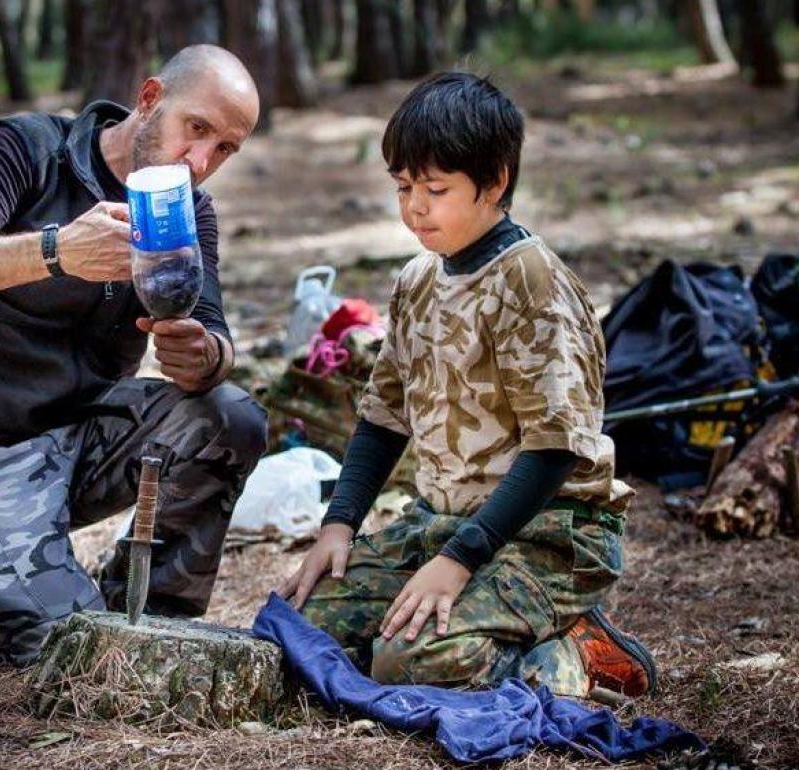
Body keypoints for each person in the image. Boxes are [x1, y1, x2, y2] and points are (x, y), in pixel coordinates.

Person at [0, 45, 268, 666]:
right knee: (65, 653)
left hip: (84, 431)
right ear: (149, 99)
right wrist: (55, 252)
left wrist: (204, 355)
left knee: (231, 416)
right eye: (196, 129)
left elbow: (214, 337)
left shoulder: (186, 211)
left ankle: (147, 617)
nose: (200, 162)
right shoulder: (27, 151)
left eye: (225, 148)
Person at [277, 72, 658, 698]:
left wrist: (457, 563)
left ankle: (576, 652)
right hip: (443, 520)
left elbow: (556, 447)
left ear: (496, 181)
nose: (415, 208)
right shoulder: (417, 281)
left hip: (549, 530)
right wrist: (338, 525)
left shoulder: (532, 285)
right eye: (403, 188)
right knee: (304, 624)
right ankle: (485, 619)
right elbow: (383, 415)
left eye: (435, 189)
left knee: (407, 663)